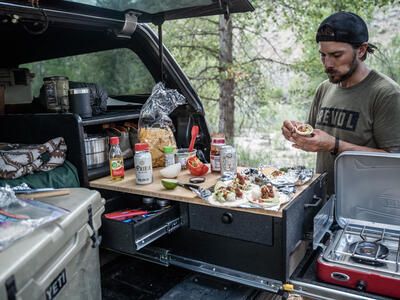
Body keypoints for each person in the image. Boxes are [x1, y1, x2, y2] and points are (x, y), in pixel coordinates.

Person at [282, 11, 400, 195]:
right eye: (323, 55)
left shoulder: (386, 93)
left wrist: (334, 145)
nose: (327, 64)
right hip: (323, 201)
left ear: (361, 50)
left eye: (336, 55)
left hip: (366, 209)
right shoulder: (324, 88)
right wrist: (295, 132)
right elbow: (314, 138)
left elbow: (394, 162)